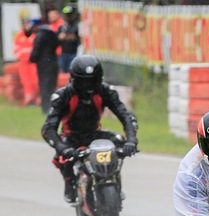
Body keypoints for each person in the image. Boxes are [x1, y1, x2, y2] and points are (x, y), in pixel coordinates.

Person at [41, 55, 139, 204]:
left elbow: (126, 116)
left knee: (119, 141)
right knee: (63, 154)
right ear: (73, 79)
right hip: (71, 136)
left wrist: (131, 140)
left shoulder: (106, 91)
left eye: (92, 81)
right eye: (83, 81)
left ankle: (114, 179)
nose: (88, 86)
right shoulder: (62, 96)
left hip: (95, 134)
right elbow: (48, 128)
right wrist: (62, 147)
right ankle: (70, 182)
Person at [28, 17, 59, 113]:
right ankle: (53, 107)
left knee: (44, 86)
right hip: (53, 62)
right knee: (51, 86)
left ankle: (45, 107)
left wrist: (32, 58)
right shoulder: (51, 32)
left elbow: (36, 50)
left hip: (43, 65)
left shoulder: (40, 35)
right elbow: (57, 44)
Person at [13, 14, 39, 106]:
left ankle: (37, 98)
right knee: (26, 80)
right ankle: (29, 98)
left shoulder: (35, 35)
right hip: (23, 62)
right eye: (24, 23)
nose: (26, 25)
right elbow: (16, 49)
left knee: (35, 79)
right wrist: (22, 57)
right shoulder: (19, 35)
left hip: (33, 62)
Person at [57, 5, 80, 73]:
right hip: (63, 53)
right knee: (63, 72)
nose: (68, 17)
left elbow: (74, 38)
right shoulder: (63, 26)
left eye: (70, 15)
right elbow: (58, 37)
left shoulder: (76, 26)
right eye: (67, 15)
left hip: (73, 53)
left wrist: (66, 37)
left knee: (72, 71)